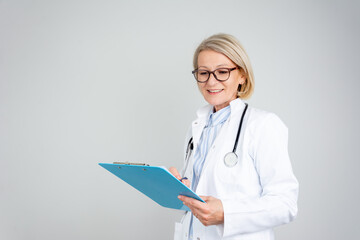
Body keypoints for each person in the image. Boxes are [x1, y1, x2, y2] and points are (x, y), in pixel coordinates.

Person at [169, 33, 298, 240]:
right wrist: (177, 186)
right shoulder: (197, 128)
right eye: (204, 73)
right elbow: (202, 192)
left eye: (222, 72)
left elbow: (285, 204)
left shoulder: (262, 125)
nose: (211, 82)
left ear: (242, 75)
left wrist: (226, 213)